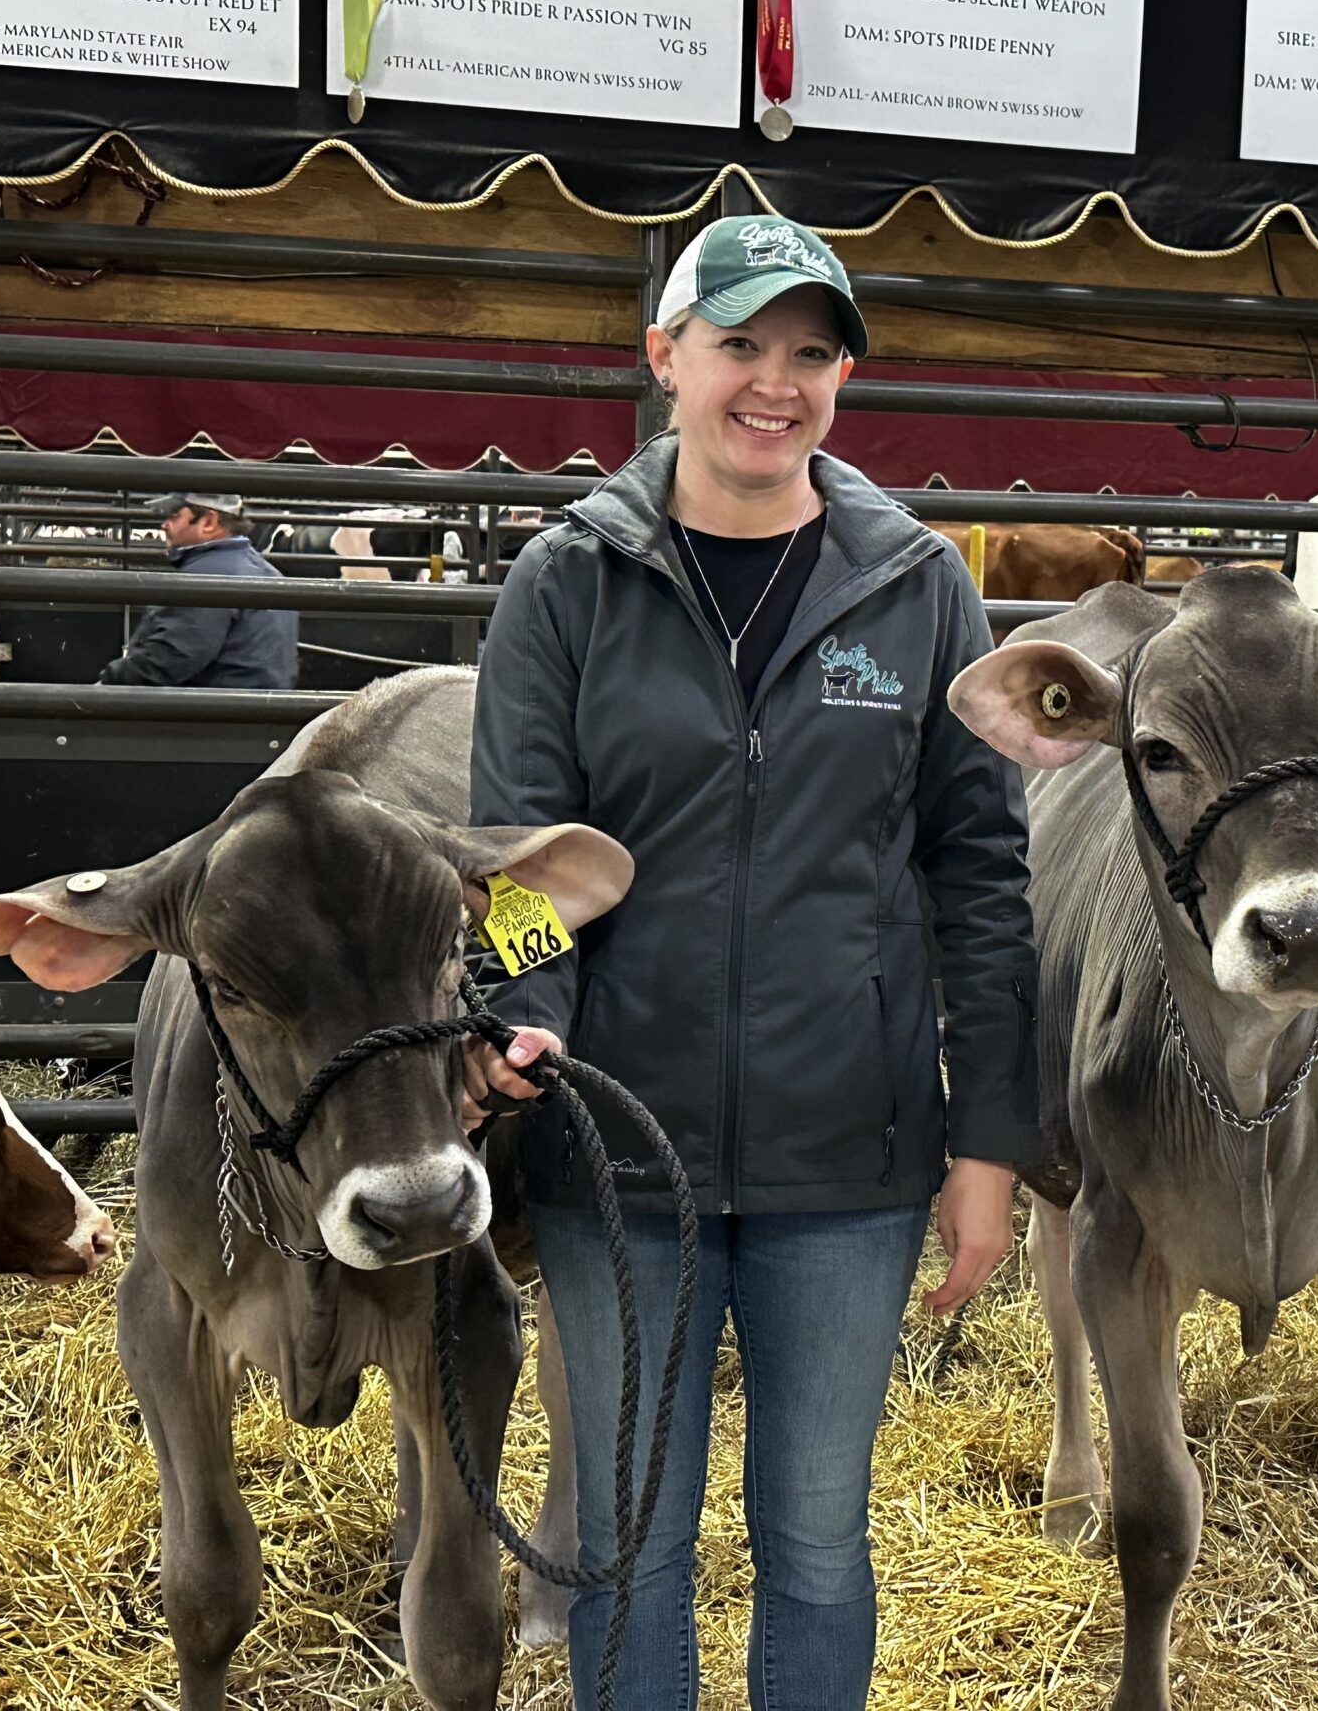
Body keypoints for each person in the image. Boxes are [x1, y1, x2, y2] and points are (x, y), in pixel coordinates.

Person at [465, 214, 1039, 1711]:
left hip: (847, 1160)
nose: (774, 384)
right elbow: (521, 868)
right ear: (667, 358)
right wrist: (522, 1026)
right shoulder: (568, 583)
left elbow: (981, 872)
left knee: (818, 1543)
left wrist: (989, 1142)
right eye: (740, 346)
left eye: (811, 353)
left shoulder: (915, 588)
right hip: (615, 1148)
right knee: (631, 1544)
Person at [94, 490, 298, 688]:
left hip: (210, 712)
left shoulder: (206, 575)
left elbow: (173, 656)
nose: (165, 525)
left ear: (209, 522)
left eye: (174, 516)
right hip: (253, 710)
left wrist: (110, 682)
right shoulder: (265, 571)